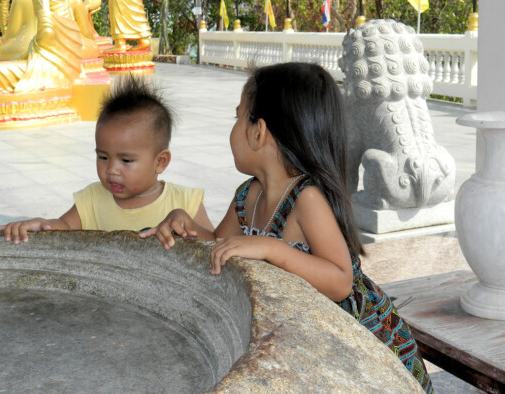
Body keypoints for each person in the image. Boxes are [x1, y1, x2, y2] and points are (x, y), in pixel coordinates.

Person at [141, 63, 433, 393]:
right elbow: (221, 245)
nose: (234, 127)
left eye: (238, 117)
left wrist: (271, 248)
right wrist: (187, 225)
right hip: (307, 335)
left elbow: (339, 281)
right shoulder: (248, 195)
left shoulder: (306, 199)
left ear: (258, 131)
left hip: (361, 347)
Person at [0, 76, 213, 243]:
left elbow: (215, 245)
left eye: (126, 161)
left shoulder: (185, 202)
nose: (112, 170)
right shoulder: (92, 199)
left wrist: (188, 225)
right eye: (103, 157)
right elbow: (64, 226)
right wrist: (41, 225)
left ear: (160, 162)